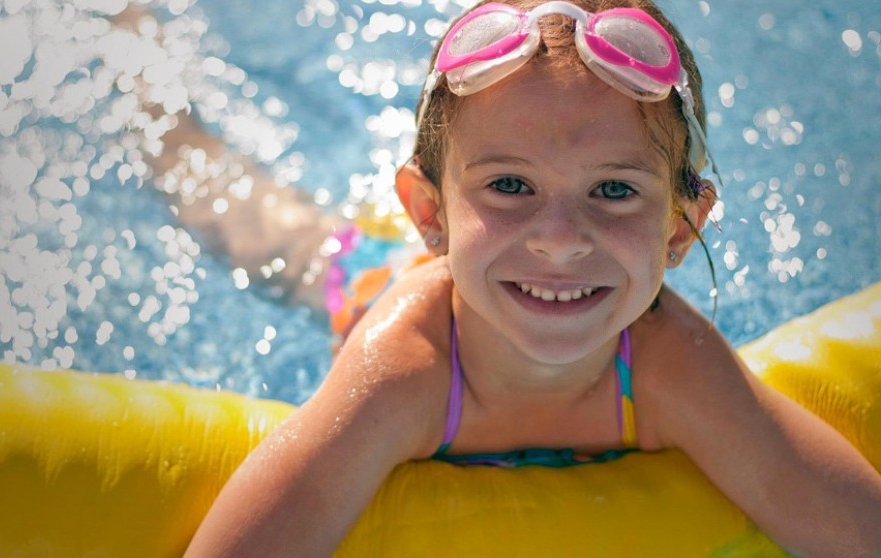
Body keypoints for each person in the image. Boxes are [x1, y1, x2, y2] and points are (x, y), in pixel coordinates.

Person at [184, 1, 881, 556]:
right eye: (510, 184)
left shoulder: (674, 366)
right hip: (374, 284)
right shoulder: (403, 371)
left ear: (678, 228)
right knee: (257, 226)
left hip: (484, 266)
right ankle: (164, 120)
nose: (558, 241)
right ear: (430, 212)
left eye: (613, 190)